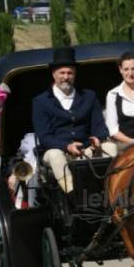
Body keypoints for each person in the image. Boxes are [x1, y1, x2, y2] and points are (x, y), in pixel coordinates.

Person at [32, 47, 115, 196]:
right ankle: (74, 197)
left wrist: (98, 139)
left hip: (87, 148)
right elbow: (44, 137)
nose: (66, 77)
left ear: (75, 74)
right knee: (56, 156)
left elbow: (100, 128)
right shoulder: (41, 101)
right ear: (54, 74)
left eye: (70, 73)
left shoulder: (89, 96)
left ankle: (111, 192)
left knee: (110, 148)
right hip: (55, 150)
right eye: (62, 73)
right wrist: (67, 146)